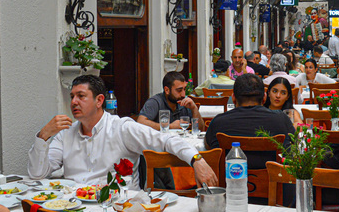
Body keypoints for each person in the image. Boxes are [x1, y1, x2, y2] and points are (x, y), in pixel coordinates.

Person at [29, 75, 217, 190]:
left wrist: (197, 160)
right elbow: (37, 174)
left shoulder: (121, 128)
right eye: (72, 97)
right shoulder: (65, 134)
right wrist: (43, 136)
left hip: (117, 210)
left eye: (81, 96)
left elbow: (166, 141)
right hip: (74, 209)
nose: (73, 102)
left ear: (99, 100)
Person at [205, 74, 294, 170]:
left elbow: (208, 147)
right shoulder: (281, 119)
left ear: (233, 98)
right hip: (274, 179)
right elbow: (294, 146)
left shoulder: (218, 122)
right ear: (264, 97)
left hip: (230, 178)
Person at [138, 71, 203, 129]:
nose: (183, 94)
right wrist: (170, 126)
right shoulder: (155, 102)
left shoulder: (185, 102)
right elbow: (140, 122)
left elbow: (200, 129)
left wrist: (194, 109)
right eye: (179, 90)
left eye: (184, 89)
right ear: (167, 90)